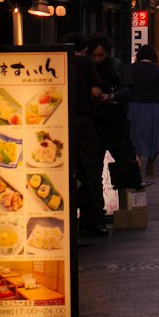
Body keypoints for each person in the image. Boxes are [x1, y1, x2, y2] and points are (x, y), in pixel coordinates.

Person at [88, 32, 143, 200]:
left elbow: (128, 90)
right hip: (94, 125)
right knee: (93, 170)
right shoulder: (87, 67)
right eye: (94, 55)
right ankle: (96, 210)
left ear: (108, 52)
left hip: (116, 123)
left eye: (101, 55)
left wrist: (111, 96)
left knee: (125, 165)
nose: (97, 59)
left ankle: (128, 206)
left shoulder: (117, 67)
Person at [64, 31, 108, 236]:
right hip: (83, 122)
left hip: (60, 124)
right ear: (85, 50)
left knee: (65, 171)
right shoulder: (85, 63)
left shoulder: (57, 59)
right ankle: (92, 221)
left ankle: (66, 216)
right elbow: (96, 92)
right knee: (90, 170)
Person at [128, 44, 159, 180]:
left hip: (134, 106)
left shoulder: (131, 68)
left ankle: (137, 162)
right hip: (153, 107)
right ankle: (150, 163)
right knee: (153, 136)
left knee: (135, 135)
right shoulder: (158, 70)